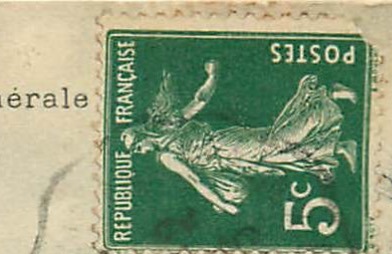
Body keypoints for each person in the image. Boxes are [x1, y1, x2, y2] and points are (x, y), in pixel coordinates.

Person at [120, 61, 358, 216]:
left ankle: (325, 94)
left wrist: (213, 76)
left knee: (276, 144)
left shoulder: (169, 145)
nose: (139, 152)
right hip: (229, 160)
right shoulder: (165, 151)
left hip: (225, 143)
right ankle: (339, 147)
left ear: (143, 135)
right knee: (280, 156)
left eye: (137, 146)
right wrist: (223, 202)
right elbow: (199, 179)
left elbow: (199, 103)